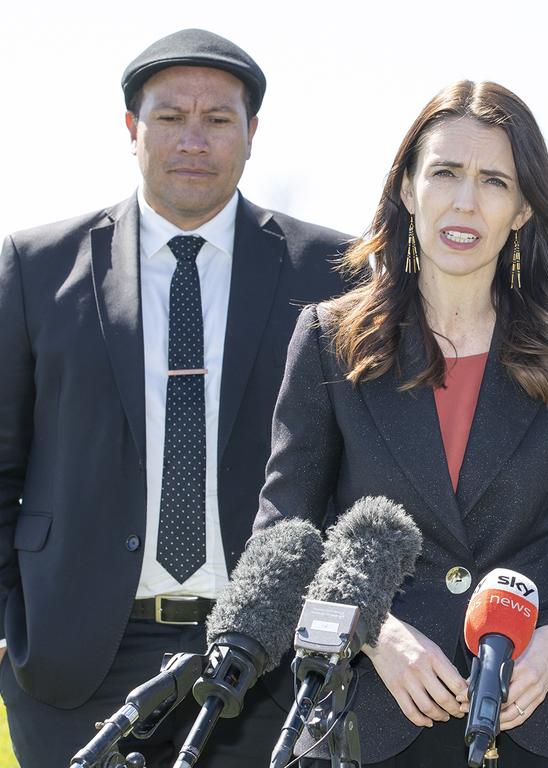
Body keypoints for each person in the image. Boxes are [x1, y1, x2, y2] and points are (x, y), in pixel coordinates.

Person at [253, 80, 548, 766]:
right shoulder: (328, 339)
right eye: (444, 173)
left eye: (494, 181)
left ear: (524, 208)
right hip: (367, 721)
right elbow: (284, 544)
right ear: (407, 189)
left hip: (544, 721)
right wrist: (370, 632)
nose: (465, 201)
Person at [0, 28, 353, 767]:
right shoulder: (34, 268)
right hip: (75, 665)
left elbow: (359, 472)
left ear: (252, 134)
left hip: (269, 661)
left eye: (219, 120)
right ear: (132, 129)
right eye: (169, 118)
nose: (194, 139)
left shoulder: (333, 273)